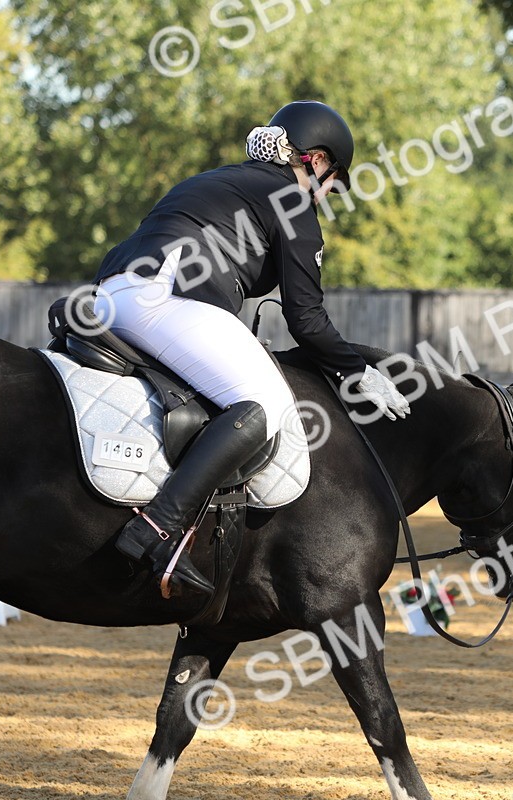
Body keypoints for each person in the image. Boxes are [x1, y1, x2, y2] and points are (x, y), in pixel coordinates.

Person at [91, 101, 410, 599]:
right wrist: (358, 371)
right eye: (333, 181)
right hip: (163, 299)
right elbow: (306, 318)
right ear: (316, 160)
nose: (329, 196)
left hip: (110, 296)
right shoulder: (292, 200)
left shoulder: (218, 179)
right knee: (263, 405)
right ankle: (156, 531)